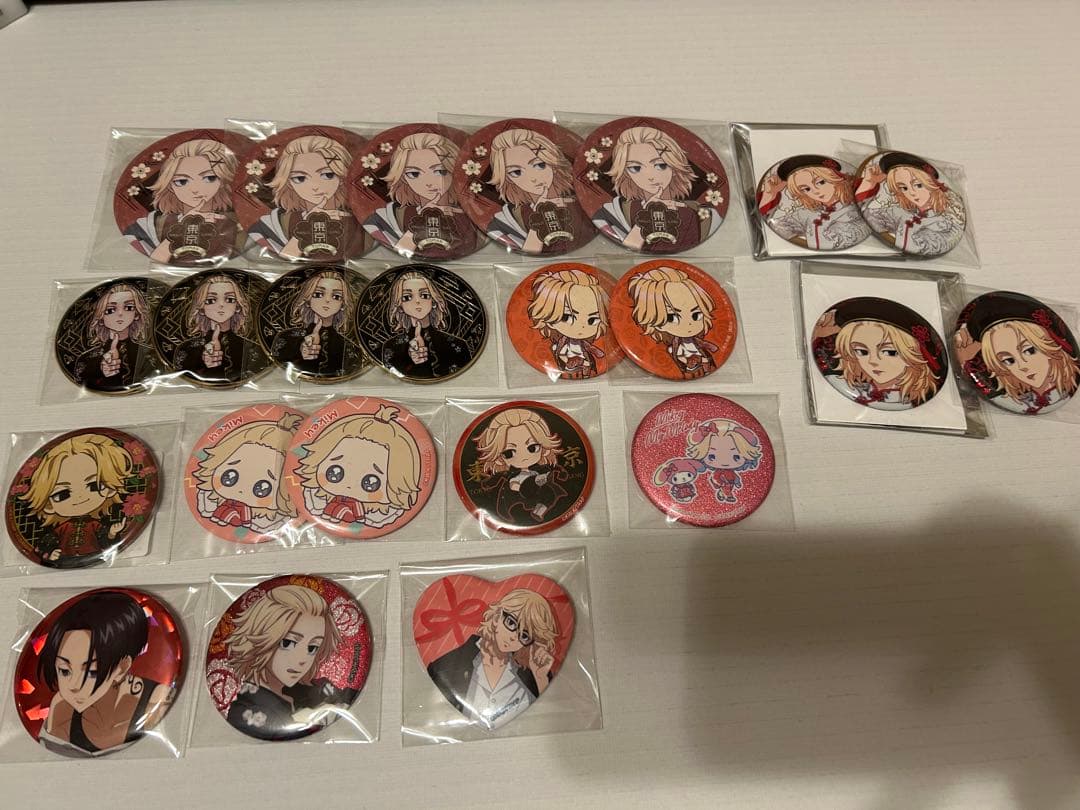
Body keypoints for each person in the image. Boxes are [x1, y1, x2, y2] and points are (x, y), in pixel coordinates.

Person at [36, 591, 173, 756]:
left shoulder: (157, 700)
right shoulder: (62, 708)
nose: (74, 686)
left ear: (122, 667)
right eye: (64, 671)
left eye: (91, 672)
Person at [224, 583, 349, 740]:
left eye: (312, 648)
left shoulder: (309, 691)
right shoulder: (244, 714)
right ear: (259, 638)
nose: (302, 659)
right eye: (288, 643)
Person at [426, 589, 560, 730]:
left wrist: (541, 679)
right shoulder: (445, 667)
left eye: (524, 635)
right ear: (497, 617)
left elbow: (545, 718)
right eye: (511, 622)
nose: (513, 637)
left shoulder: (534, 676)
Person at [294, 405, 423, 530]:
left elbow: (362, 527)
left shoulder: (377, 515)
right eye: (335, 473)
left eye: (371, 483)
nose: (349, 486)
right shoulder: (314, 500)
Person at [593, 125, 719, 252]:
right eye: (635, 168)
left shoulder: (701, 215)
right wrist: (645, 217)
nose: (650, 176)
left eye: (661, 165)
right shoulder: (613, 213)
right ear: (625, 174)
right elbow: (625, 250)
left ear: (675, 166)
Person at [955, 293, 1080, 415]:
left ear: (1049, 346)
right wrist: (967, 361)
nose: (1022, 366)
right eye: (1008, 360)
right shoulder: (1013, 399)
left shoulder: (1063, 393)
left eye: (1029, 351)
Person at [17, 433, 133, 563]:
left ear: (111, 488)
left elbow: (106, 539)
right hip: (65, 560)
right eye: (62, 494)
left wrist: (112, 532)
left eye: (94, 485)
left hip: (93, 555)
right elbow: (46, 542)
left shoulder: (95, 525)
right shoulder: (63, 528)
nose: (80, 496)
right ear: (48, 505)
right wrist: (51, 553)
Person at [812, 298, 945, 409]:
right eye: (861, 351)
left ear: (914, 355)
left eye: (890, 352)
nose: (873, 361)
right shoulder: (838, 381)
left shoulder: (913, 401)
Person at [124, 138, 240, 264]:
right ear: (169, 185)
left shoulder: (234, 226)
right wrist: (179, 229)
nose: (195, 189)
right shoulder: (150, 225)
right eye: (182, 181)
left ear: (223, 181)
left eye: (209, 178)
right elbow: (151, 264)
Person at [247, 134, 362, 260]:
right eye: (300, 178)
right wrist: (305, 227)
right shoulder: (274, 224)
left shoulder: (361, 223)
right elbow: (286, 257)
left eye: (327, 175)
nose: (315, 186)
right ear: (288, 182)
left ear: (342, 177)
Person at [363, 131, 475, 258]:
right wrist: (421, 220)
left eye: (440, 171)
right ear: (402, 178)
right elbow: (400, 252)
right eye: (414, 174)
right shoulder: (386, 218)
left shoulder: (472, 218)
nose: (428, 182)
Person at [192, 413, 303, 535]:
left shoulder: (269, 522)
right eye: (229, 477)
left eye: (262, 489)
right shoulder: (207, 502)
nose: (241, 490)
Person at [486, 128, 580, 253]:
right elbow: (528, 252)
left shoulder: (581, 207)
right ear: (507, 179)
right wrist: (539, 217)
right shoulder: (506, 220)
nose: (533, 178)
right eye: (516, 172)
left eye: (540, 165)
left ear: (553, 164)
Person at [854, 151, 965, 256]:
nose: (912, 193)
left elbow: (923, 246)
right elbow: (868, 214)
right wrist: (869, 183)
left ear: (932, 184)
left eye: (918, 185)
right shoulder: (900, 212)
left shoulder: (947, 224)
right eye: (904, 188)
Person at [472, 408, 569, 525]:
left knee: (549, 494)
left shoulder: (541, 468)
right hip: (521, 487)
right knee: (524, 484)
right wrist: (517, 487)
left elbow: (554, 468)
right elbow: (505, 483)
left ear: (545, 448)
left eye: (532, 447)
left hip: (540, 489)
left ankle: (539, 511)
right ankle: (535, 484)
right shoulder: (511, 474)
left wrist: (559, 472)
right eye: (509, 453)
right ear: (499, 459)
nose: (523, 456)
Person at [756, 155, 870, 250]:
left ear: (835, 179)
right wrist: (770, 194)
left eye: (821, 182)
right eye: (806, 189)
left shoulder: (855, 211)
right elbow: (772, 226)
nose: (815, 191)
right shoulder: (807, 213)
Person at [628, 264, 719, 379]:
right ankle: (690, 366)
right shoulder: (672, 348)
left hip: (696, 358)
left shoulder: (696, 342)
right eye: (672, 318)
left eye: (696, 315)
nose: (688, 324)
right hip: (685, 360)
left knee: (704, 360)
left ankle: (701, 367)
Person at [172, 274, 262, 384]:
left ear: (238, 306)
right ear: (201, 308)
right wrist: (204, 362)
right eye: (211, 300)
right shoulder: (187, 349)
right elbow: (182, 376)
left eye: (229, 299)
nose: (221, 305)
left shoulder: (251, 348)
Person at [380, 270, 470, 379]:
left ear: (434, 301)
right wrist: (412, 360)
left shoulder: (459, 345)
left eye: (424, 295)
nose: (417, 301)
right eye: (407, 297)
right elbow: (395, 378)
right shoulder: (391, 347)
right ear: (399, 306)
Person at [527, 267, 609, 379]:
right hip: (569, 361)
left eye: (592, 320)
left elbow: (590, 348)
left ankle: (583, 370)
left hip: (582, 359)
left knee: (587, 365)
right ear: (547, 316)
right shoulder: (562, 344)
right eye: (566, 317)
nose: (581, 327)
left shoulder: (584, 344)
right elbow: (559, 352)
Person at [271, 269, 355, 378]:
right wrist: (300, 349)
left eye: (336, 296)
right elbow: (279, 360)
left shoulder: (348, 345)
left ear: (343, 304)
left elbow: (351, 367)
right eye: (318, 294)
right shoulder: (287, 337)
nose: (327, 300)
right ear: (307, 300)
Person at [72, 282, 156, 391]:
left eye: (129, 307)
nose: (120, 313)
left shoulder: (148, 353)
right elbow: (80, 379)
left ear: (136, 314)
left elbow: (154, 377)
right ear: (100, 317)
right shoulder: (87, 358)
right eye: (110, 310)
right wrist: (101, 368)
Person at [683, 419, 763, 503]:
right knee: (726, 490)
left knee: (728, 489)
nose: (725, 463)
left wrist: (737, 482)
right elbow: (715, 477)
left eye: (736, 457)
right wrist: (719, 483)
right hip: (724, 483)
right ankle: (727, 495)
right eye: (712, 457)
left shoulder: (732, 472)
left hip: (730, 483)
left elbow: (736, 477)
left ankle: (723, 494)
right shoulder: (718, 472)